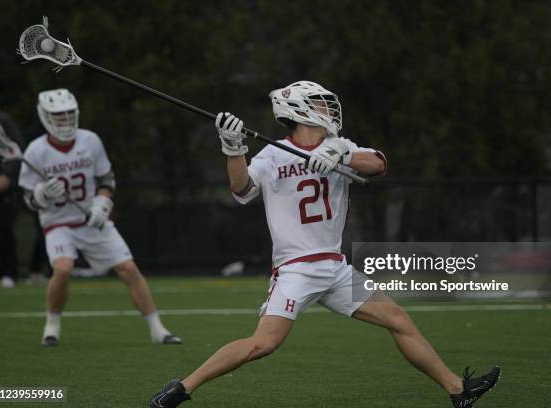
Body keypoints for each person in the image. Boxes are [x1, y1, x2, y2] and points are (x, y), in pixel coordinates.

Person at [149, 81, 500, 408]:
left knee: (398, 319)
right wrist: (233, 148)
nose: (329, 111)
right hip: (296, 270)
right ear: (301, 110)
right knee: (263, 343)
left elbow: (378, 163)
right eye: (320, 104)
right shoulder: (273, 156)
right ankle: (182, 388)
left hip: (335, 268)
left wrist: (339, 155)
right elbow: (241, 190)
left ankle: (458, 391)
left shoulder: (341, 144)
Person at [18, 88, 182, 346]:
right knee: (62, 268)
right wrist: (41, 194)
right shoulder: (35, 151)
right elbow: (27, 199)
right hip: (58, 222)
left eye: (69, 114)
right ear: (46, 116)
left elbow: (106, 179)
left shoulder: (90, 140)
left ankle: (158, 329)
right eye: (58, 116)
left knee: (128, 268)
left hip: (92, 219)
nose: (65, 120)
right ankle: (51, 327)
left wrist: (102, 204)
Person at [0, 90, 23, 288]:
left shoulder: (2, 120)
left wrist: (8, 174)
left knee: (4, 229)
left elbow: (17, 148)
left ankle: (9, 272)